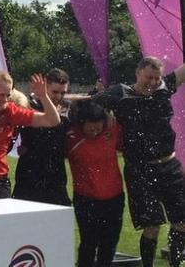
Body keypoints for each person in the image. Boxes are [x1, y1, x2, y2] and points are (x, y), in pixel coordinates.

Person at [92, 57, 185, 267]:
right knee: (151, 227)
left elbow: (181, 72)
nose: (152, 82)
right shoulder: (119, 93)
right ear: (138, 73)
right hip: (140, 170)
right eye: (148, 78)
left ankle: (175, 264)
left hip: (170, 166)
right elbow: (92, 104)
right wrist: (106, 116)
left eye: (156, 78)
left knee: (182, 223)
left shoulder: (163, 88)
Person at [0, 70, 60, 200]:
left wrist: (43, 96)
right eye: (0, 95)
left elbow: (52, 120)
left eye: (8, 95)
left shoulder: (10, 111)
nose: (5, 100)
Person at [66, 100, 124, 267]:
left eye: (98, 128)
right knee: (88, 243)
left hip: (114, 197)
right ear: (81, 124)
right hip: (86, 198)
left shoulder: (112, 128)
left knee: (110, 242)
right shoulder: (70, 136)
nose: (95, 132)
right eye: (90, 129)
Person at [13, 68, 72, 205]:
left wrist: (106, 118)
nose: (58, 97)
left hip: (56, 173)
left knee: (57, 219)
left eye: (63, 93)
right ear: (45, 87)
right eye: (55, 92)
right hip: (29, 171)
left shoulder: (68, 108)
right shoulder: (28, 105)